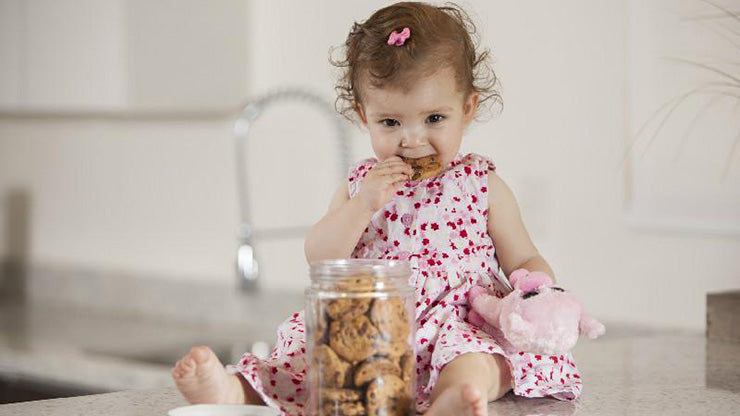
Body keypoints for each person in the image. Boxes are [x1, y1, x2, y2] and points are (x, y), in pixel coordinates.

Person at [172, 3, 582, 415]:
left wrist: (538, 290)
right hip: (368, 333)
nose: (412, 140)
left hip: (458, 323)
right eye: (390, 123)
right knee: (307, 359)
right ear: (363, 115)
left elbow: (523, 255)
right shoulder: (360, 188)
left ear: (468, 109)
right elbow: (320, 256)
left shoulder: (483, 185)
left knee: (481, 360)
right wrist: (363, 205)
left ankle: (452, 399)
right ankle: (234, 391)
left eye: (434, 118)